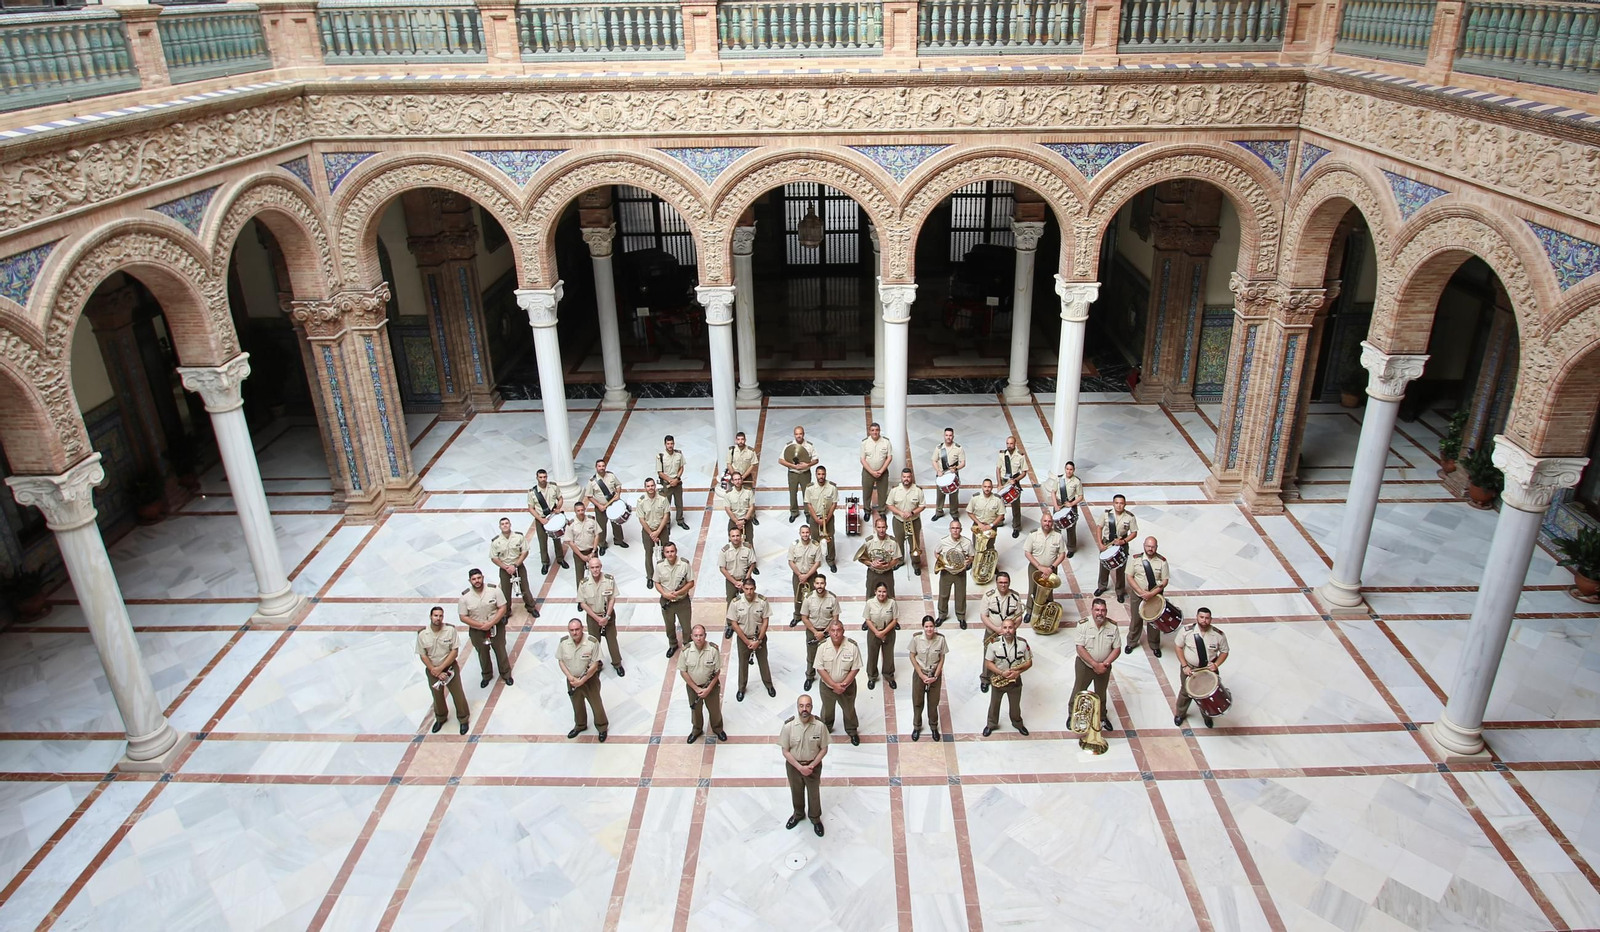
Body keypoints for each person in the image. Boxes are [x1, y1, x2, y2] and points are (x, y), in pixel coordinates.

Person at [779, 694, 829, 837]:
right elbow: (785, 750)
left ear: (812, 707)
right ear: (797, 707)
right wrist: (799, 767)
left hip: (813, 766)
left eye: (807, 706)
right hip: (794, 767)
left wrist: (812, 766)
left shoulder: (820, 726)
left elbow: (824, 749)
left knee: (814, 794)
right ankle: (798, 814)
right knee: (796, 791)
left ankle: (815, 818)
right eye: (801, 706)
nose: (804, 709)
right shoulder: (789, 726)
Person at [417, 606, 469, 734]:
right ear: (430, 616)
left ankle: (463, 719)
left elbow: (454, 651)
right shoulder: (423, 634)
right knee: (437, 696)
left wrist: (441, 668)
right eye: (435, 615)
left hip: (449, 667)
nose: (438, 618)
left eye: (440, 616)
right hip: (433, 670)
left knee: (458, 694)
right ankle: (440, 718)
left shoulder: (450, 630)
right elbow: (423, 655)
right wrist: (435, 670)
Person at [1174, 607, 1229, 728]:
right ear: (1197, 617)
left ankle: (1207, 715)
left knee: (1207, 694)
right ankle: (1180, 714)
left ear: (1211, 619)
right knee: (1185, 692)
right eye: (1202, 617)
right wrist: (1184, 665)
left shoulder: (1218, 635)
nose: (1204, 620)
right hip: (1190, 668)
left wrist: (1216, 664)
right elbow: (1178, 647)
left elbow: (1225, 652)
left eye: (1207, 618)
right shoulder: (1186, 631)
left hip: (1208, 670)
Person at [457, 567, 512, 688]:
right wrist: (481, 626)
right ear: (470, 581)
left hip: (496, 626)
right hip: (477, 630)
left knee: (500, 650)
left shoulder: (494, 590)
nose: (477, 581)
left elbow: (502, 607)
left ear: (483, 577)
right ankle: (486, 675)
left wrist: (491, 623)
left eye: (479, 578)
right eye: (474, 579)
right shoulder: (465, 597)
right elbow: (463, 616)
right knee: (482, 653)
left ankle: (506, 674)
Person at [1073, 598, 1121, 732]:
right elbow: (1080, 648)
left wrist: (1104, 664)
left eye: (1103, 610)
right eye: (1097, 610)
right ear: (1092, 610)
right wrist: (1094, 664)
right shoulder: (1083, 625)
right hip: (1085, 665)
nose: (1100, 613)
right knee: (1079, 691)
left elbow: (1116, 649)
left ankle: (1102, 717)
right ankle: (1072, 715)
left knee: (1101, 693)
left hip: (1104, 667)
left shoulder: (1112, 626)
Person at [557, 618, 607, 741]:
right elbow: (561, 661)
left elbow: (595, 665)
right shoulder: (564, 643)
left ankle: (602, 727)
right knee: (577, 704)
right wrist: (570, 677)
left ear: (582, 629)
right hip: (572, 680)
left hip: (589, 680)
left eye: (577, 629)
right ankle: (580, 725)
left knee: (596, 705)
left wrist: (582, 680)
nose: (574, 633)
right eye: (572, 630)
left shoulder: (592, 642)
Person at [816, 620, 863, 746]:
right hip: (827, 687)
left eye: (839, 630)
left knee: (849, 710)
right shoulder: (822, 646)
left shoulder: (852, 646)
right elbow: (820, 668)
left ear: (843, 631)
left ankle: (852, 731)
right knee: (827, 709)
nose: (836, 634)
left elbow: (855, 667)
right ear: (829, 632)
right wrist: (833, 685)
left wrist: (844, 685)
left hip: (847, 688)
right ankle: (826, 729)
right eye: (833, 630)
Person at [728, 578, 776, 700]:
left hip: (759, 638)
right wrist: (747, 641)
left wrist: (758, 640)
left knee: (763, 662)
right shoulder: (735, 603)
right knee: (743, 664)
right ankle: (741, 688)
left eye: (751, 589)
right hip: (744, 639)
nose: (749, 592)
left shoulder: (762, 601)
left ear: (755, 588)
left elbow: (765, 622)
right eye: (746, 589)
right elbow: (734, 624)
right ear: (742, 588)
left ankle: (769, 685)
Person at [982, 618, 1031, 736]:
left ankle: (1017, 723)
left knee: (1015, 706)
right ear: (1001, 629)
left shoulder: (1023, 643)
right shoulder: (993, 643)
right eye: (1005, 628)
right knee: (994, 705)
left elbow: (1029, 662)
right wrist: (1001, 673)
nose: (1007, 630)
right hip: (999, 679)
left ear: (1014, 629)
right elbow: (988, 663)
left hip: (1015, 681)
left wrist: (1018, 672)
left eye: (1010, 627)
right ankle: (991, 724)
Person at [1126, 536, 1172, 656]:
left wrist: (1151, 594)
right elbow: (1129, 577)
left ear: (1156, 547)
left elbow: (1164, 581)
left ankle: (1154, 644)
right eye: (1148, 546)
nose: (1150, 549)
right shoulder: (1136, 559)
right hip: (1138, 595)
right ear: (1144, 546)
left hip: (1155, 596)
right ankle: (1131, 642)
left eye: (1152, 546)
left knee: (1154, 622)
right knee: (1136, 620)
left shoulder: (1162, 561)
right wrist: (1141, 592)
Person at [679, 624, 726, 743]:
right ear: (691, 636)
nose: (698, 638)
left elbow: (717, 671)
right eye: (696, 635)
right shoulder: (686, 651)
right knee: (695, 710)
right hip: (693, 687)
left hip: (711, 687)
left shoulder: (713, 650)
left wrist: (709, 689)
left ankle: (717, 729)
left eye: (701, 635)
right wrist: (695, 688)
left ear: (705, 635)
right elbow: (683, 671)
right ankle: (696, 729)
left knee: (714, 710)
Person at [578, 557, 624, 676]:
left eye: (597, 567)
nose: (595, 570)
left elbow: (612, 599)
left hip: (608, 616)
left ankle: (617, 663)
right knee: (594, 642)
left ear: (601, 567)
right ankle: (596, 665)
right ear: (589, 568)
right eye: (592, 567)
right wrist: (597, 618)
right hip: (593, 617)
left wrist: (607, 616)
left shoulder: (609, 580)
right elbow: (583, 603)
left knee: (612, 639)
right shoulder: (584, 584)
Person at [979, 572, 1023, 691]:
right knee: (988, 656)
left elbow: (1019, 616)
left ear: (1009, 583)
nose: (1003, 585)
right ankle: (985, 678)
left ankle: (1006, 675)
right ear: (996, 583)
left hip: (1010, 633)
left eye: (1005, 582)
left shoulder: (1015, 596)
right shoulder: (989, 596)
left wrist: (1011, 629)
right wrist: (997, 629)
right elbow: (984, 616)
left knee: (1009, 654)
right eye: (1001, 582)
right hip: (993, 632)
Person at [907, 615, 947, 742]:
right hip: (921, 673)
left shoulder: (940, 639)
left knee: (933, 703)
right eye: (926, 626)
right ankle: (917, 726)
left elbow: (942, 658)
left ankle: (933, 726)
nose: (929, 629)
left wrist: (936, 675)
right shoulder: (917, 639)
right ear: (923, 627)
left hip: (934, 674)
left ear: (934, 627)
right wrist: (921, 674)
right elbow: (912, 656)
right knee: (917, 702)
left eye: (931, 626)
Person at [1022, 513, 1066, 626]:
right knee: (1032, 589)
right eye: (1045, 521)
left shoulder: (1058, 536)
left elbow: (1062, 554)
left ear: (1052, 523)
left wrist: (1051, 568)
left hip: (1051, 569)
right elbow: (1027, 552)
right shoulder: (1033, 535)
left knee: (1048, 592)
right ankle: (1030, 611)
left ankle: (1046, 612)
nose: (1047, 523)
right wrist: (1039, 566)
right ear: (1041, 521)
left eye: (1050, 521)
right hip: (1035, 567)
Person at [489, 517, 537, 617]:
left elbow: (525, 551)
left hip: (518, 566)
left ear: (510, 525)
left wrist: (515, 565)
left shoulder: (518, 537)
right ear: (499, 527)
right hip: (505, 568)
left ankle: (531, 607)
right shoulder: (496, 541)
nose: (505, 525)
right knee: (505, 591)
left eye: (507, 523)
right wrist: (506, 567)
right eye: (502, 524)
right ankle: (506, 612)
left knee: (525, 589)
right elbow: (494, 557)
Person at [798, 574, 840, 691]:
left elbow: (835, 617)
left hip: (828, 632)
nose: (819, 586)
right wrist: (815, 632)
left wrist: (825, 632)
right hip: (813, 631)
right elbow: (804, 617)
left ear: (825, 584)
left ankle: (829, 677)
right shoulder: (808, 598)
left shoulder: (832, 598)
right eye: (817, 583)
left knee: (829, 655)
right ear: (814, 584)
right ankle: (810, 676)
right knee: (811, 655)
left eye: (822, 583)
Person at [654, 541, 695, 657]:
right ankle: (673, 644)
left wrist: (678, 592)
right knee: (669, 626)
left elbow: (691, 583)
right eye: (667, 552)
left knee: (686, 627)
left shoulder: (684, 564)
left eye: (672, 551)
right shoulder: (660, 565)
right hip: (667, 602)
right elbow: (657, 582)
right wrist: (664, 594)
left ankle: (687, 646)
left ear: (676, 551)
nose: (670, 554)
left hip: (682, 601)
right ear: (664, 553)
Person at [1095, 494, 1138, 602]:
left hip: (1121, 544)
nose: (1119, 506)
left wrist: (1123, 541)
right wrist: (1100, 543)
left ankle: (1120, 591)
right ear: (1113, 504)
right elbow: (1099, 528)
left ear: (1125, 504)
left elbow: (1134, 533)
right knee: (1104, 566)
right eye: (1117, 503)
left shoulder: (1129, 517)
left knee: (1121, 568)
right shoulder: (1106, 514)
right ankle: (1102, 586)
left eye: (1121, 503)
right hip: (1107, 542)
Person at [525, 468, 568, 575]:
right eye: (540, 477)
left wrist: (558, 507)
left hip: (553, 516)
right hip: (541, 519)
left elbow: (560, 498)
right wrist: (540, 519)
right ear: (537, 478)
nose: (543, 479)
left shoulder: (553, 487)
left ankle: (560, 558)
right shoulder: (532, 492)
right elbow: (531, 508)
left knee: (556, 538)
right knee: (542, 541)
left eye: (544, 477)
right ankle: (545, 562)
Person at [886, 468, 927, 576]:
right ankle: (899, 560)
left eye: (908, 477)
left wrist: (912, 513)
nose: (906, 479)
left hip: (913, 521)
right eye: (904, 477)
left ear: (911, 477)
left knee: (914, 543)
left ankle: (916, 563)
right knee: (899, 542)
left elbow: (922, 505)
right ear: (901, 477)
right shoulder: (895, 490)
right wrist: (900, 512)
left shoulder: (918, 490)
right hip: (899, 521)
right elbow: (889, 504)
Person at [934, 519, 975, 628]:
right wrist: (943, 561)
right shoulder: (943, 541)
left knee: (960, 595)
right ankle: (942, 615)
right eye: (953, 528)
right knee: (943, 595)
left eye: (957, 528)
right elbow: (936, 552)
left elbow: (972, 556)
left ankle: (961, 617)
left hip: (960, 573)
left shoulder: (967, 542)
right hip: (946, 572)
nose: (955, 530)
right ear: (950, 529)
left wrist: (968, 561)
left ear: (960, 529)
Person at [585, 457, 628, 552]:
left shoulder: (611, 476)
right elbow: (589, 496)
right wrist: (599, 505)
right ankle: (602, 544)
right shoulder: (592, 481)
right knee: (601, 527)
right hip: (601, 507)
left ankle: (619, 540)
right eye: (599, 466)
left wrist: (618, 494)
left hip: (613, 504)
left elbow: (618, 485)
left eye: (603, 466)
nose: (601, 468)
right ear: (596, 467)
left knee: (617, 523)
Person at [862, 582, 898, 690]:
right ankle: (872, 676)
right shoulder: (869, 603)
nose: (881, 594)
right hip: (874, 632)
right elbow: (867, 619)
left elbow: (895, 620)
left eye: (884, 592)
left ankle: (889, 676)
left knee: (888, 655)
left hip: (889, 632)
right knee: (872, 655)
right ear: (875, 592)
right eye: (879, 591)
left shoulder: (892, 603)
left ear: (887, 592)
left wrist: (884, 632)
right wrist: (877, 633)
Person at [636, 478, 671, 589]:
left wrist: (658, 531)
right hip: (648, 531)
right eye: (648, 486)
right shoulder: (641, 501)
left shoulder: (663, 498)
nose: (650, 488)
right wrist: (652, 533)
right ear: (645, 487)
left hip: (661, 529)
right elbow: (641, 519)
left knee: (665, 552)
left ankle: (665, 574)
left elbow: (666, 515)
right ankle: (650, 577)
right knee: (648, 553)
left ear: (655, 486)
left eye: (652, 486)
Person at [805, 464, 840, 573]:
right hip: (815, 518)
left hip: (828, 518)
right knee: (815, 540)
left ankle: (831, 560)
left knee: (830, 538)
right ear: (816, 475)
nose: (821, 476)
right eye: (819, 474)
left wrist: (827, 519)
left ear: (825, 474)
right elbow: (809, 504)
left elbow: (834, 503)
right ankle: (815, 560)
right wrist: (816, 519)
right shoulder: (810, 488)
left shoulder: (832, 487)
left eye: (823, 474)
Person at [778, 426, 816, 523]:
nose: (798, 436)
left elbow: (816, 459)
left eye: (800, 434)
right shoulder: (789, 445)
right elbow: (780, 460)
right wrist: (793, 466)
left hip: (805, 473)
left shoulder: (809, 445)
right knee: (792, 492)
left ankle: (808, 512)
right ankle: (794, 512)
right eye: (797, 434)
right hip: (793, 473)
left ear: (803, 434)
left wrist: (808, 464)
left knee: (807, 493)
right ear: (794, 434)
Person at [787, 524, 822, 627]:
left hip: (811, 576)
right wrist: (800, 575)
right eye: (803, 532)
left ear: (810, 533)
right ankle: (797, 616)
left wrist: (806, 576)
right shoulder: (794, 545)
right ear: (800, 533)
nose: (805, 535)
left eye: (807, 532)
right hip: (798, 575)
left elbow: (817, 563)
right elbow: (791, 561)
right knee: (798, 596)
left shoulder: (816, 545)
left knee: (812, 597)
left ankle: (810, 616)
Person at [995, 435, 1030, 537]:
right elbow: (998, 469)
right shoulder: (1002, 454)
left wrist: (1015, 480)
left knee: (1015, 506)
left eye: (1011, 443)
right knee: (1000, 503)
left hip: (1014, 481)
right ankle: (1000, 520)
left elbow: (1024, 472)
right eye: (1007, 443)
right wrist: (999, 484)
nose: (1009, 445)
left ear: (1015, 444)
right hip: (1004, 480)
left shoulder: (1020, 456)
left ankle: (1016, 527)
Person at [1047, 461, 1084, 557]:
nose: (1069, 471)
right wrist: (1055, 505)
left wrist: (1072, 503)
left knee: (1071, 528)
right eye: (1067, 469)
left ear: (1074, 470)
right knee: (1056, 527)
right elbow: (1053, 492)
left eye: (1071, 469)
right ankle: (1055, 545)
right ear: (1065, 469)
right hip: (1059, 504)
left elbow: (1080, 496)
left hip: (1070, 505)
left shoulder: (1076, 481)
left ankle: (1071, 548)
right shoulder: (1059, 479)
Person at [858, 515, 900, 597]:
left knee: (890, 594)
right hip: (873, 572)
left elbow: (897, 559)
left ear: (887, 527)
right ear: (875, 528)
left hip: (887, 572)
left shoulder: (893, 542)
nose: (881, 530)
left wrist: (886, 566)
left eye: (883, 527)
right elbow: (861, 558)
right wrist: (871, 563)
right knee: (870, 594)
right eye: (879, 527)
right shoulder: (869, 541)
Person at [930, 427, 967, 520]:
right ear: (944, 436)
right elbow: (933, 460)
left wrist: (956, 468)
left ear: (953, 436)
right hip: (941, 473)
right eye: (946, 435)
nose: (948, 437)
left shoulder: (958, 448)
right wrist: (938, 470)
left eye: (950, 435)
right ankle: (939, 512)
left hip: (953, 474)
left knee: (954, 494)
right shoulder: (939, 448)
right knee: (940, 495)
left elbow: (963, 462)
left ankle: (954, 512)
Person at [565, 501, 602, 590]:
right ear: (575, 511)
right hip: (579, 553)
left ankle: (596, 593)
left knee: (596, 573)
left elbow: (597, 535)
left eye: (582, 510)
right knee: (580, 576)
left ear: (585, 510)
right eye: (578, 511)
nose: (581, 512)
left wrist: (593, 551)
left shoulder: (591, 520)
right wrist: (582, 556)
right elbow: (571, 542)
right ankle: (581, 598)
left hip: (591, 551)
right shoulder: (571, 524)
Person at [656, 435, 690, 530]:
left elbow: (681, 467)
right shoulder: (661, 456)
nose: (670, 446)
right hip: (667, 483)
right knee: (666, 504)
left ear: (674, 443)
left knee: (679, 503)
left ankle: (680, 520)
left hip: (677, 482)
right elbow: (660, 472)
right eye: (668, 444)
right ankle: (667, 523)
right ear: (665, 444)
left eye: (671, 443)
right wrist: (670, 480)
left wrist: (677, 479)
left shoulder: (679, 454)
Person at [859, 421, 893, 516]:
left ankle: (882, 511)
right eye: (872, 430)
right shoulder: (865, 442)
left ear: (880, 431)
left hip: (883, 472)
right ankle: (867, 510)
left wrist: (881, 470)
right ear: (869, 431)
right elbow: (862, 459)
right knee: (866, 492)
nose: (875, 432)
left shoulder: (886, 442)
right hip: (868, 472)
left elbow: (889, 457)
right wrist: (872, 472)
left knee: (882, 492)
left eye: (877, 430)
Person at [718, 526, 756, 607]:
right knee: (730, 602)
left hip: (745, 579)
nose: (735, 538)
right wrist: (735, 582)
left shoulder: (747, 547)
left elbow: (752, 564)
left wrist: (745, 580)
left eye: (737, 535)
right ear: (729, 537)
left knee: (748, 601)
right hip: (731, 580)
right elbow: (722, 568)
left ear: (741, 536)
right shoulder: (725, 551)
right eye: (733, 536)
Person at [967, 478, 1005, 547]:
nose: (987, 489)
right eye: (985, 486)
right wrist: (979, 523)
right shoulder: (975, 498)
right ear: (982, 487)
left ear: (992, 487)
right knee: (976, 546)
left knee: (989, 546)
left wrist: (991, 525)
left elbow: (1001, 515)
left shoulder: (997, 499)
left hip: (991, 526)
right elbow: (969, 512)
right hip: (978, 526)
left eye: (989, 487)